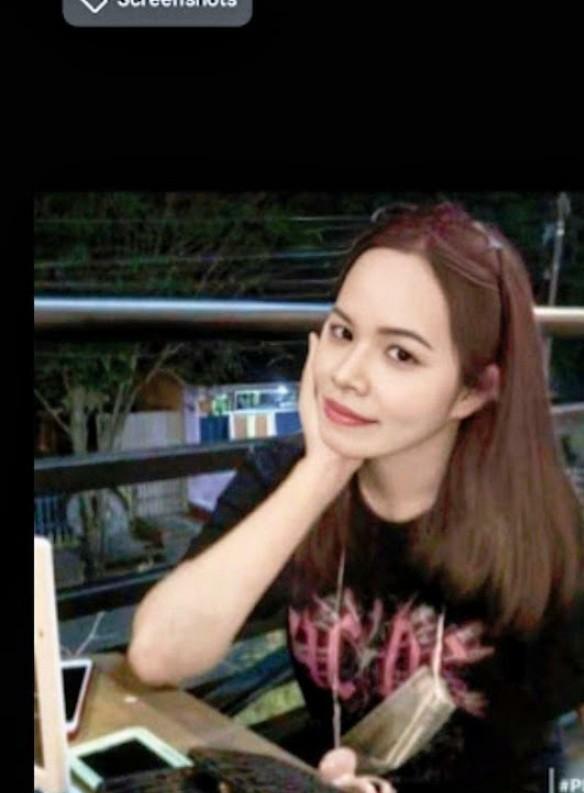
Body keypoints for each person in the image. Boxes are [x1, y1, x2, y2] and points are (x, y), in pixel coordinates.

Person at [128, 202, 584, 793]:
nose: (346, 374)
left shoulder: (547, 532)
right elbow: (157, 654)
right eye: (343, 332)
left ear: (472, 391)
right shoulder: (288, 474)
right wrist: (323, 471)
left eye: (401, 354)